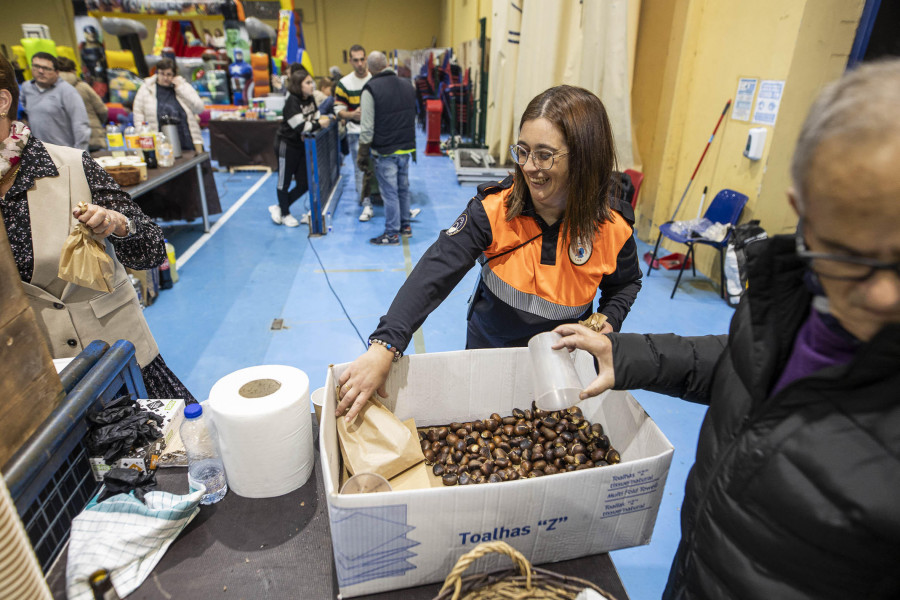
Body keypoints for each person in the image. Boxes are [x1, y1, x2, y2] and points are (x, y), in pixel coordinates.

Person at [552, 61, 900, 599]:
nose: (882, 295)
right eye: (848, 254)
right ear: (802, 210)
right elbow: (743, 360)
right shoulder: (791, 300)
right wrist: (626, 355)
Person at [336, 85, 643, 421]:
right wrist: (385, 345)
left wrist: (607, 321)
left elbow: (624, 284)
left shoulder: (613, 225)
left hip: (559, 365)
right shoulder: (495, 209)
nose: (528, 166)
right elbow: (435, 270)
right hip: (488, 353)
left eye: (544, 155)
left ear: (584, 157)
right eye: (522, 151)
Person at [0, 54, 195, 403]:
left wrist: (118, 225)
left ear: (3, 101)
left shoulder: (71, 166)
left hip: (115, 364)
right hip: (26, 382)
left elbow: (151, 249)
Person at [358, 51, 416, 246]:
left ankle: (391, 234)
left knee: (389, 193)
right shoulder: (408, 85)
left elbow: (366, 127)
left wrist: (362, 152)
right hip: (405, 149)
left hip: (385, 152)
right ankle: (405, 225)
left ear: (370, 68)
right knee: (403, 189)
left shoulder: (370, 89)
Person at [269, 68, 332, 228]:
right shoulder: (292, 102)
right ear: (299, 85)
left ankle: (279, 206)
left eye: (312, 82)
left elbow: (316, 117)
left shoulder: (310, 98)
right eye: (308, 83)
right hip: (286, 144)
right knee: (284, 181)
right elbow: (301, 126)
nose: (312, 86)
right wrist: (317, 124)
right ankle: (285, 213)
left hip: (301, 145)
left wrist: (314, 124)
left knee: (304, 183)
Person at [20, 53, 91, 151]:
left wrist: (80, 155)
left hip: (64, 153)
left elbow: (81, 126)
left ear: (57, 72)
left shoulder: (67, 91)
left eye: (46, 68)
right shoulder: (26, 88)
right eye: (36, 66)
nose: (40, 71)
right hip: (39, 154)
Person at [132, 58, 205, 153]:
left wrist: (180, 88)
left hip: (186, 139)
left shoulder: (183, 86)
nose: (165, 78)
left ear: (174, 75)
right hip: (159, 142)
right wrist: (141, 133)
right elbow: (138, 113)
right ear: (157, 73)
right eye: (162, 74)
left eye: (169, 74)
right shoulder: (146, 89)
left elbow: (199, 108)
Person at [334, 44, 373, 222]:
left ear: (366, 59)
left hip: (375, 133)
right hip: (355, 133)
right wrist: (351, 114)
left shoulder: (374, 80)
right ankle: (366, 205)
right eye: (355, 60)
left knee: (380, 169)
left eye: (362, 59)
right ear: (350, 61)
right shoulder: (344, 84)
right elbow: (338, 109)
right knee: (360, 170)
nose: (359, 63)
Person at [56, 57, 108, 152]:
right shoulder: (83, 87)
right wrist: (98, 124)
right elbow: (102, 110)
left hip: (64, 142)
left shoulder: (50, 91)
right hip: (93, 137)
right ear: (73, 70)